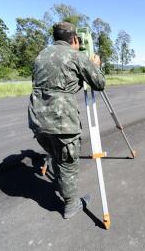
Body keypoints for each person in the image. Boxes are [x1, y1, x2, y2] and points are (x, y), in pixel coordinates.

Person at [28, 21, 105, 219]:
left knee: (56, 155)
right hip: (62, 123)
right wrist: (95, 66)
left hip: (37, 120)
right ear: (75, 39)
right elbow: (99, 83)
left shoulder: (41, 55)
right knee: (68, 163)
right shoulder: (75, 56)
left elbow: (57, 84)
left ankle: (61, 182)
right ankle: (70, 204)